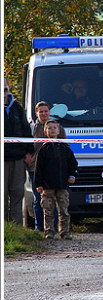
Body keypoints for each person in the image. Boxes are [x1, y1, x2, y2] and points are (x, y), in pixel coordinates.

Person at [34, 120, 78, 239]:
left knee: (63, 210)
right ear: (45, 131)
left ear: (59, 131)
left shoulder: (65, 148)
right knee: (48, 210)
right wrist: (39, 183)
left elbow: (73, 164)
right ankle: (49, 232)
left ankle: (65, 232)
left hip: (62, 184)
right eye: (49, 128)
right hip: (47, 186)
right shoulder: (44, 149)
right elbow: (38, 168)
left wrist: (72, 176)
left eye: (54, 128)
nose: (52, 130)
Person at [29, 102, 67, 232]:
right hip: (35, 169)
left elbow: (65, 148)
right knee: (38, 199)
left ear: (49, 112)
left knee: (54, 200)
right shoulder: (32, 128)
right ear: (36, 113)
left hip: (54, 171)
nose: (43, 114)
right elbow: (27, 147)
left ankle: (54, 228)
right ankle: (39, 228)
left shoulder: (58, 127)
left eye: (46, 111)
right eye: (41, 112)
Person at [4, 76, 34, 225]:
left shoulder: (18, 108)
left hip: (18, 158)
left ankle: (16, 228)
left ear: (8, 87)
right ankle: (4, 229)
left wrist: (29, 152)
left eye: (4, 86)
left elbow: (26, 131)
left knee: (17, 192)